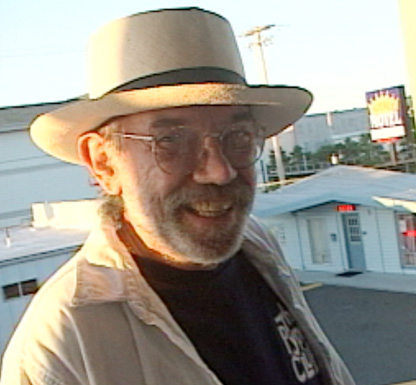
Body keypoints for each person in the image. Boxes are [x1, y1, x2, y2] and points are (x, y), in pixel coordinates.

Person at [0, 7, 354, 385]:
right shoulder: (63, 347)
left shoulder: (256, 246)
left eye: (237, 137)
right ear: (104, 163)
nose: (219, 172)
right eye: (171, 140)